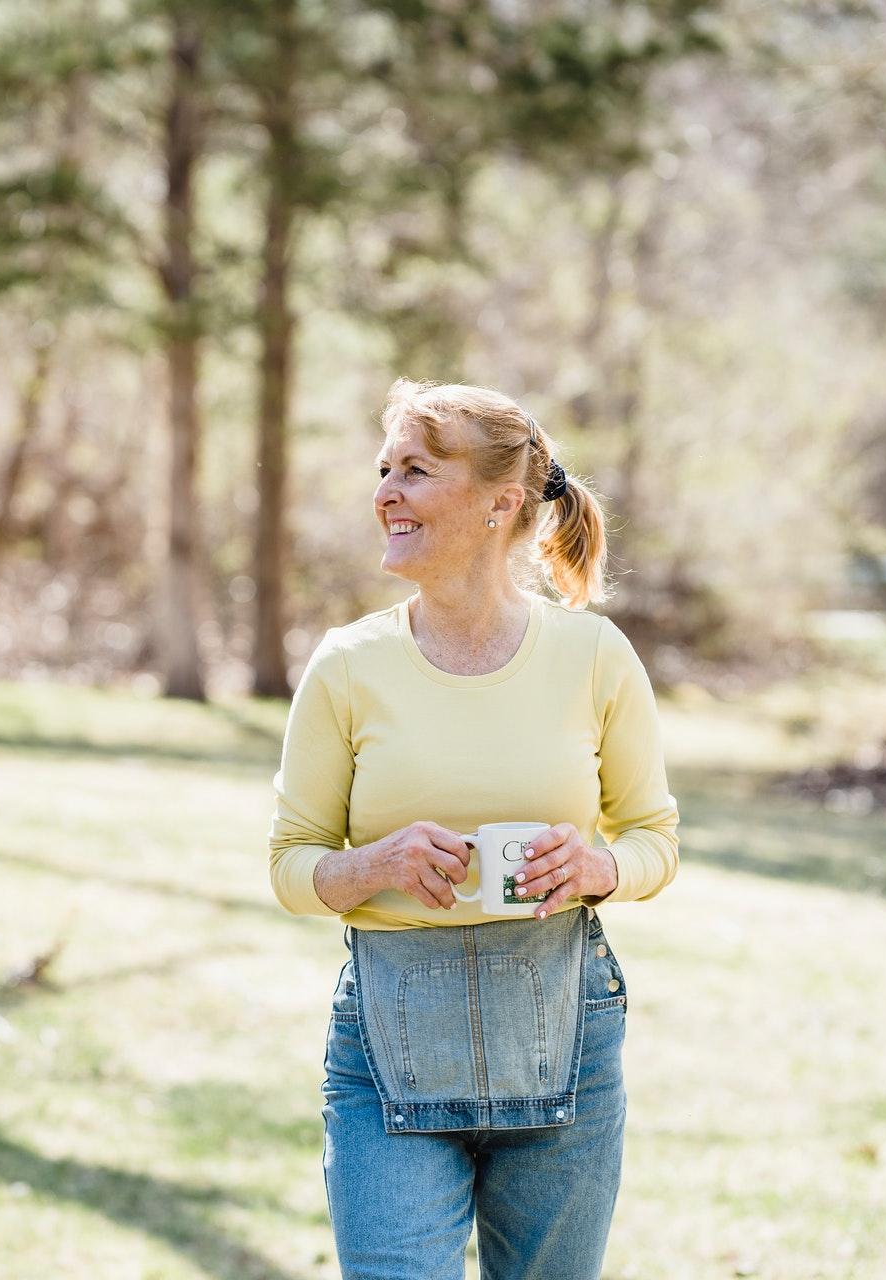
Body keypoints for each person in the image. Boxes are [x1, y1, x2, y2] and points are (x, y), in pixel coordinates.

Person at [269, 379, 679, 1280]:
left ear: (501, 503)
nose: (385, 492)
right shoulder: (348, 666)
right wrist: (376, 862)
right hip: (387, 1045)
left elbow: (655, 837)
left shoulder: (595, 656)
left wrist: (598, 867)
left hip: (565, 1033)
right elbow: (291, 866)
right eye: (384, 470)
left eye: (414, 471)